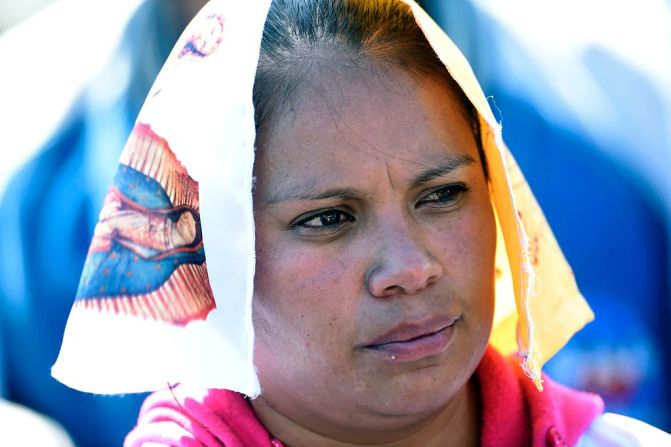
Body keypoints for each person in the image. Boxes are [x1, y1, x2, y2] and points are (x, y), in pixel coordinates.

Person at [51, 0, 671, 445]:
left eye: (442, 195)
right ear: (212, 258)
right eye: (328, 218)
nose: (408, 268)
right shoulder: (36, 201)